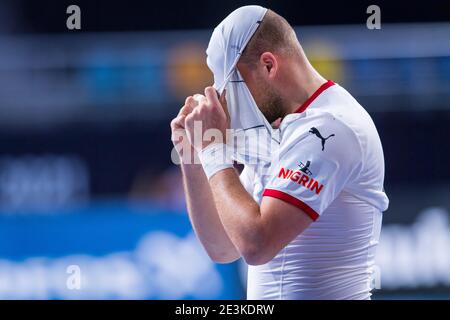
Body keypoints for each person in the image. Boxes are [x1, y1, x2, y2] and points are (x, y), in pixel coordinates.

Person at [170, 6, 389, 300]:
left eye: (233, 88)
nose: (230, 104)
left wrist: (214, 150)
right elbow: (223, 247)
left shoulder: (329, 129)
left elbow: (256, 244)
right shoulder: (279, 132)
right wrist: (194, 156)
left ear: (268, 66)